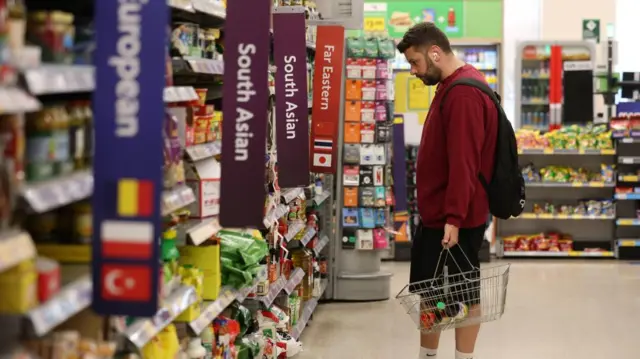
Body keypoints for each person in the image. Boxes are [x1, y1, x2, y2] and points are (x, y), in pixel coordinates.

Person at [397, 22, 498, 359]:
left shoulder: (464, 94)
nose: (413, 71)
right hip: (441, 214)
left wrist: (453, 218)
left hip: (454, 219)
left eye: (415, 62)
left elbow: (465, 162)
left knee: (464, 295)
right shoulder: (453, 86)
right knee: (433, 293)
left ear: (435, 53)